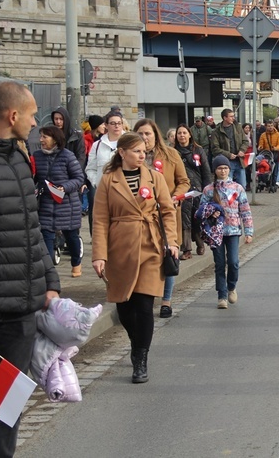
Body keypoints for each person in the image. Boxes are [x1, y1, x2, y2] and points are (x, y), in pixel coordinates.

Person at [0, 81, 60, 456]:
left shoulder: (19, 156)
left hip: (22, 302)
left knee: (8, 401)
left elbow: (31, 226)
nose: (33, 123)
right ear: (12, 116)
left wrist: (49, 280)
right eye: (30, 116)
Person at [92, 133, 178, 384]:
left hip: (151, 245)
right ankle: (136, 340)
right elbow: (99, 220)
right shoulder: (108, 181)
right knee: (125, 309)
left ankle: (140, 358)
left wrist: (171, 241)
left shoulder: (154, 177)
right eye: (137, 152)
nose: (142, 156)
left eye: (144, 152)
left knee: (144, 306)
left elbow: (168, 212)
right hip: (120, 249)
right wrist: (99, 255)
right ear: (122, 153)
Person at [134, 119, 190, 318]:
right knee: (146, 257)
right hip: (141, 217)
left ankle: (166, 300)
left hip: (166, 214)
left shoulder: (171, 155)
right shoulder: (132, 158)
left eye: (148, 133)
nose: (144, 138)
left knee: (169, 257)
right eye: (140, 133)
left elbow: (184, 182)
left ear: (155, 135)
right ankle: (145, 297)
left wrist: (175, 197)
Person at [196, 155, 253, 309]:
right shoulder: (209, 189)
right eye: (220, 168)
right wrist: (211, 213)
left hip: (233, 230)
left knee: (233, 262)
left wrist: (249, 231)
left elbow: (245, 210)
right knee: (220, 264)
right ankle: (221, 296)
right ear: (215, 170)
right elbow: (201, 211)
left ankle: (231, 287)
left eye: (225, 168)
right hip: (216, 232)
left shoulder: (237, 188)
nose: (223, 171)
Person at [32, 125, 85, 277]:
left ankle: (76, 262)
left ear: (55, 139)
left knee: (71, 237)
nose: (41, 140)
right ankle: (50, 272)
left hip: (67, 204)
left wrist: (64, 187)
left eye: (45, 137)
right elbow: (34, 177)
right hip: (47, 204)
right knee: (47, 236)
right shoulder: (36, 156)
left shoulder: (67, 155)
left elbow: (78, 178)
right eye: (41, 136)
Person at [174, 124, 212, 259]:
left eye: (184, 133)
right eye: (179, 133)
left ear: (190, 135)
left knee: (196, 218)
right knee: (184, 219)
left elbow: (206, 172)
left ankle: (200, 243)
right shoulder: (173, 151)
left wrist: (207, 191)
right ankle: (186, 249)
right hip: (181, 190)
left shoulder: (198, 151)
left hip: (197, 189)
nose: (182, 135)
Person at [86, 111, 126, 234]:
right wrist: (96, 181)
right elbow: (90, 168)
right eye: (113, 123)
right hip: (103, 192)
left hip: (125, 192)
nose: (116, 126)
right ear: (106, 125)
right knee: (103, 225)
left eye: (119, 123)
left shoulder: (130, 143)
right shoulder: (97, 145)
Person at [211, 109, 249, 188]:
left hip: (239, 161)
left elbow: (245, 141)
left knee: (242, 186)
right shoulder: (216, 131)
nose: (233, 118)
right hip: (226, 163)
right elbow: (215, 149)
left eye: (233, 116)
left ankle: (241, 200)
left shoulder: (238, 127)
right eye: (231, 116)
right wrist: (228, 155)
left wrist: (242, 150)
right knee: (227, 186)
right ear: (225, 118)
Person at [257, 120, 279, 189]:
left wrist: (276, 148)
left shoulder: (278, 134)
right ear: (266, 127)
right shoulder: (263, 135)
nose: (270, 127)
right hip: (266, 154)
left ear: (273, 126)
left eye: (271, 126)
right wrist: (260, 147)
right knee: (266, 169)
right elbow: (261, 144)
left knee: (274, 170)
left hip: (275, 153)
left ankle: (273, 184)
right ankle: (266, 183)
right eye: (269, 126)